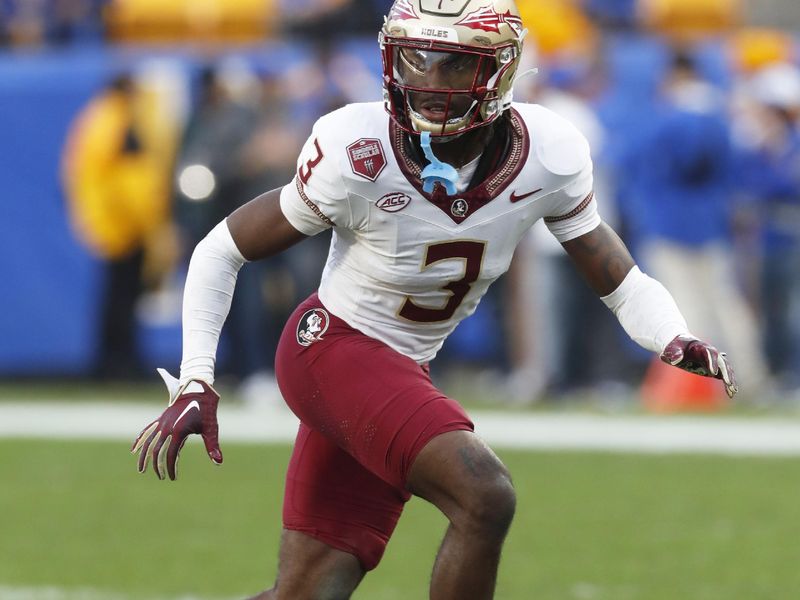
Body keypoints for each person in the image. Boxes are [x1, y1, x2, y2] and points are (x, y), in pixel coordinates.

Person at [132, 2, 737, 598]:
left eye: (452, 64)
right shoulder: (357, 147)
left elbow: (615, 273)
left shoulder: (548, 153)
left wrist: (671, 336)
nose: (427, 82)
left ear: (500, 69)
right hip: (333, 348)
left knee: (307, 593)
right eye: (415, 59)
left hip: (400, 364)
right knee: (484, 494)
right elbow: (222, 248)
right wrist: (195, 379)